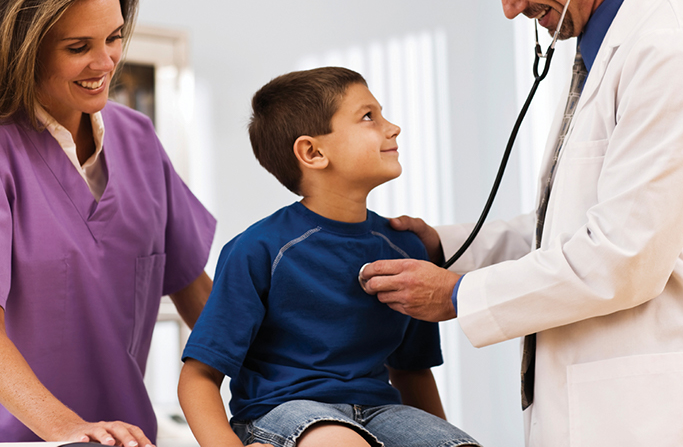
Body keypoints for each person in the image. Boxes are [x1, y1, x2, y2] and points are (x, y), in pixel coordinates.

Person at [359, 0, 683, 445]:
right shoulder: (596, 44)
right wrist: (447, 244)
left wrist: (459, 295)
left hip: (640, 411)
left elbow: (624, 255)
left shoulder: (664, 54)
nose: (509, 9)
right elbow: (569, 226)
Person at [178, 67, 480, 447]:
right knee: (340, 442)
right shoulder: (259, 249)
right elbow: (199, 377)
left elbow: (412, 373)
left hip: (379, 412)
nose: (393, 128)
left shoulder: (406, 250)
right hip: (283, 411)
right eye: (369, 117)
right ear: (313, 152)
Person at [0, 0, 216, 445]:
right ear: (24, 46)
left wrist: (283, 385)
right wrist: (67, 431)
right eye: (79, 47)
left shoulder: (136, 137)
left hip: (128, 437)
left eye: (114, 37)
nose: (106, 64)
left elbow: (193, 287)